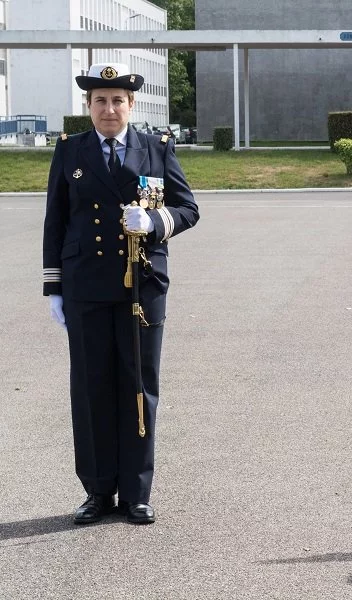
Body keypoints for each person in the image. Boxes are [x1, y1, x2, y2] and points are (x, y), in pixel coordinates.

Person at [43, 63, 199, 525]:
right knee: (91, 388)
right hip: (85, 284)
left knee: (138, 386)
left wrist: (155, 222)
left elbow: (188, 207)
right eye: (99, 101)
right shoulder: (70, 151)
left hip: (142, 283)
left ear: (131, 105)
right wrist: (54, 286)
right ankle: (97, 491)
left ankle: (136, 491)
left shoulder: (156, 149)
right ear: (88, 107)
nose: (108, 109)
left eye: (117, 101)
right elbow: (56, 220)